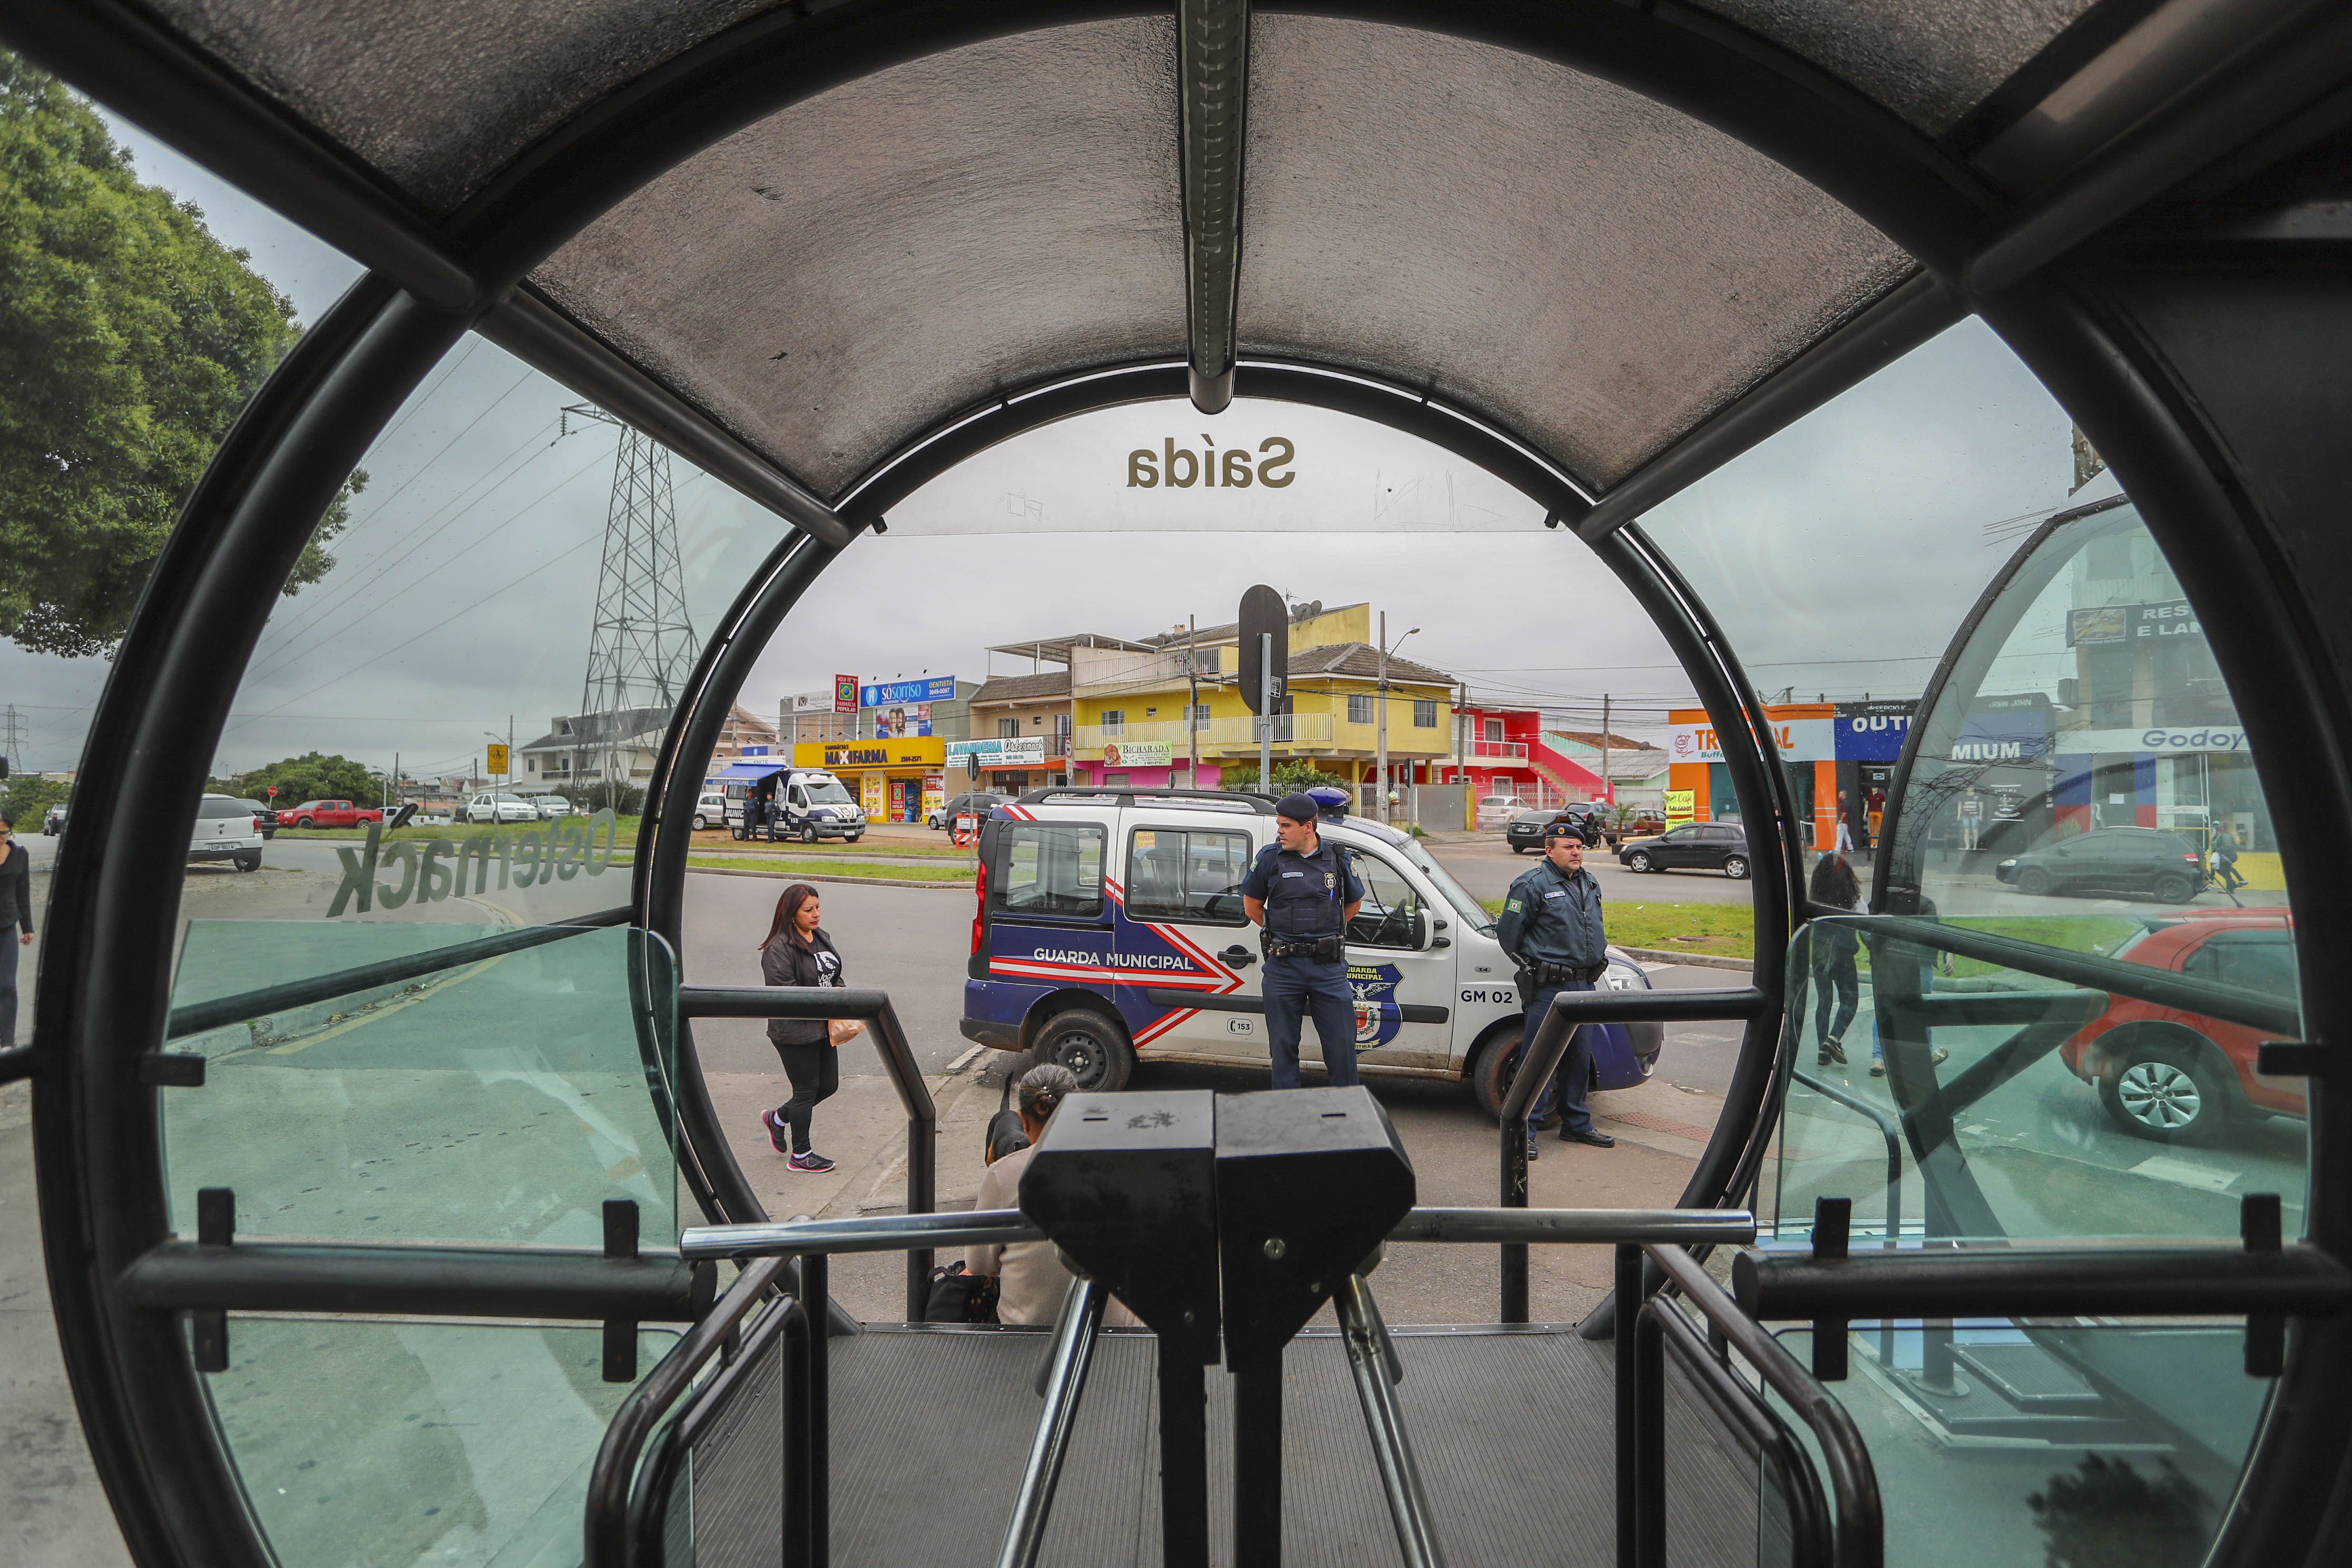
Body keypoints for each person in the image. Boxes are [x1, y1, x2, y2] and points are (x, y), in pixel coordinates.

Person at [966, 1063, 1140, 1326]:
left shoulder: (1003, 1175)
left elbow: (978, 1266)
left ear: (1022, 1120)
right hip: (1113, 1334)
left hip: (1029, 1334)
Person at [1497, 819, 1614, 1158]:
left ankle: (1576, 1125)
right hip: (1549, 988)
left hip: (1584, 982)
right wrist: (1533, 967)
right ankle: (1526, 1130)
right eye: (1569, 847)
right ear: (1549, 851)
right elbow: (1509, 935)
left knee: (1579, 1059)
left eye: (1579, 847)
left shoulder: (1589, 882)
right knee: (1541, 1060)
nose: (1576, 852)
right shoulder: (1530, 884)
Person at [1241, 792, 1365, 1089]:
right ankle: (1289, 1118)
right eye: (1279, 825)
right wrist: (1286, 934)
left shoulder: (1336, 857)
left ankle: (1348, 1114)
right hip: (1284, 969)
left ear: (1308, 827)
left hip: (1328, 969)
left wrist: (1324, 935)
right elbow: (1252, 907)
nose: (1280, 831)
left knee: (1342, 1049)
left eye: (1286, 825)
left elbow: (1354, 905)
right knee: (1283, 1050)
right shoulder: (1270, 858)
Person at [758, 883, 851, 1172]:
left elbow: (835, 974)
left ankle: (777, 1119)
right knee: (806, 1090)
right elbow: (786, 993)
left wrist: (839, 990)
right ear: (791, 913)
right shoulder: (778, 949)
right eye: (808, 910)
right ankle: (801, 1155)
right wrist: (827, 1000)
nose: (816, 914)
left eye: (818, 907)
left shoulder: (821, 937)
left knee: (829, 1085)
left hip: (823, 1028)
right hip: (795, 1031)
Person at [1808, 852, 1863, 1066]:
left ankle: (1823, 1048)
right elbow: (1864, 917)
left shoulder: (1816, 895)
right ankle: (1833, 1038)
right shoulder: (1851, 897)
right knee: (1850, 1000)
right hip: (1843, 950)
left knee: (1824, 1000)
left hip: (1819, 949)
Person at [0, 811, 33, 1049]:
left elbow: (23, 891)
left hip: (6, 925)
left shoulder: (20, 854)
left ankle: (7, 1042)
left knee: (7, 985)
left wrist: (28, 927)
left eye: (3, 832)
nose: (0, 837)